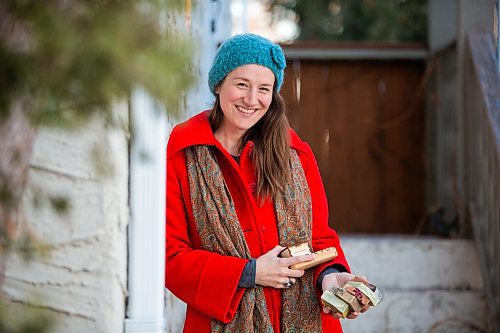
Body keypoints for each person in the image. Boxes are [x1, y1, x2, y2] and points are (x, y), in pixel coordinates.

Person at [165, 33, 371, 333]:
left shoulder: (295, 155)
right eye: (241, 84)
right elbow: (170, 257)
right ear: (219, 84)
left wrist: (332, 278)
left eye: (264, 88)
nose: (251, 100)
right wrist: (249, 273)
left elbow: (321, 241)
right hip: (219, 321)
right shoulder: (182, 155)